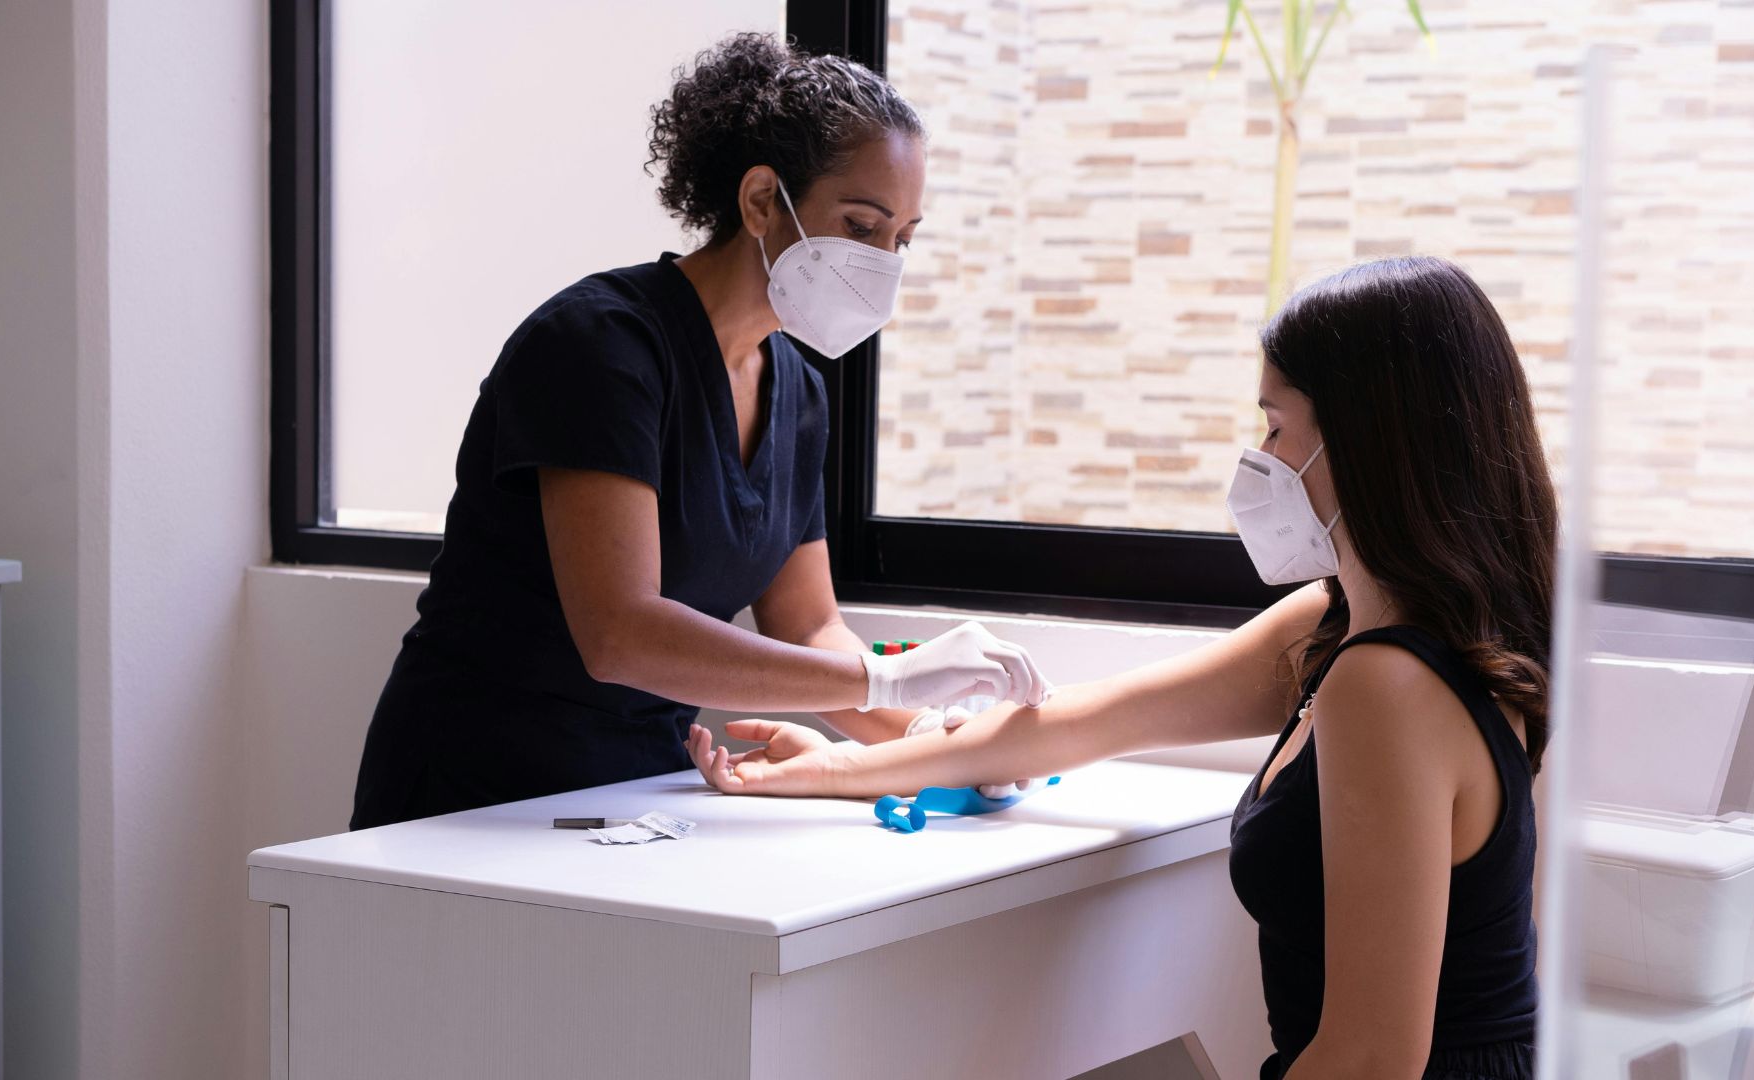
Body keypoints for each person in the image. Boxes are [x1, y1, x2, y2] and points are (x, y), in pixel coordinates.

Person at [687, 256, 1553, 1080]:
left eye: (1277, 426)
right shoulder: (1337, 628)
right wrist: (840, 765)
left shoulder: (1387, 685)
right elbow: (1080, 723)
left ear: (1365, 445)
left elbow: (1372, 1063)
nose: (1260, 456)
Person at [350, 33, 1047, 831]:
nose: (884, 263)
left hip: (635, 789)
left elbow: (808, 624)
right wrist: (891, 680)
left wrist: (944, 741)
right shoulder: (600, 347)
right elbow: (621, 633)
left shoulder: (799, 394)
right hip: (475, 787)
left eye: (903, 240)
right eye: (861, 226)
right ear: (759, 202)